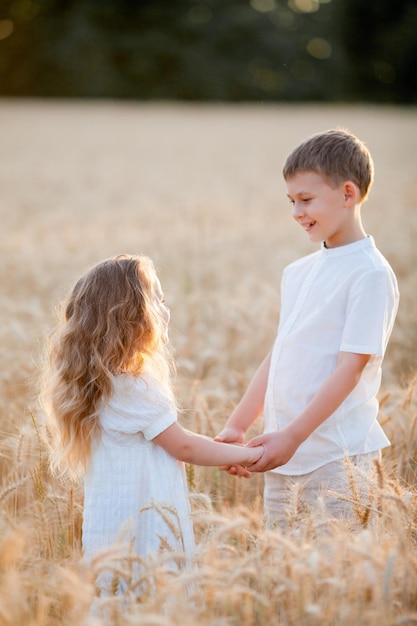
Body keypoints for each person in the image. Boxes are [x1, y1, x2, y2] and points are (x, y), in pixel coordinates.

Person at [40, 254, 263, 591]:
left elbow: (178, 439)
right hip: (146, 527)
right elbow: (183, 444)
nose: (166, 310)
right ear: (131, 317)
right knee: (153, 597)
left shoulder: (101, 384)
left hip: (112, 529)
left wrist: (226, 452)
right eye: (157, 300)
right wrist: (244, 455)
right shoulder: (134, 385)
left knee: (117, 601)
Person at [216, 128, 399, 527]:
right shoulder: (298, 272)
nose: (297, 212)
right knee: (285, 573)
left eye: (306, 200)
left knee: (339, 572)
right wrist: (237, 425)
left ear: (348, 194)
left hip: (338, 459)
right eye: (291, 201)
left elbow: (351, 368)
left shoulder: (369, 275)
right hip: (283, 458)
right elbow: (280, 355)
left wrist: (293, 437)